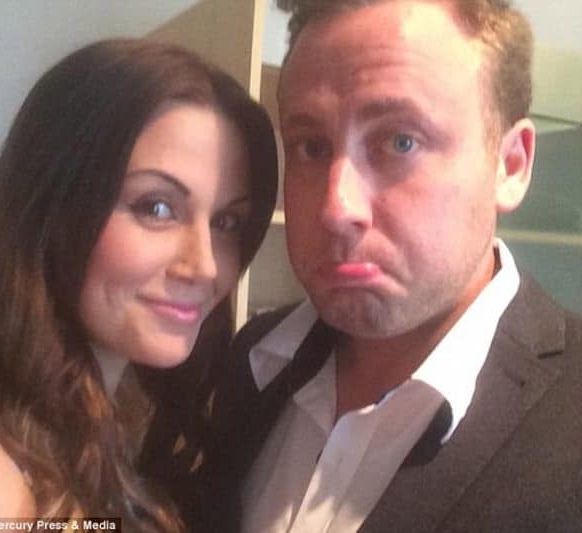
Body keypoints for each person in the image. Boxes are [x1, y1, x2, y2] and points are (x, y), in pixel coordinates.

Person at [210, 1, 582, 532]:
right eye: (311, 147)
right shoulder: (254, 358)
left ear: (510, 164)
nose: (336, 208)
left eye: (400, 141)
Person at [0, 39, 277, 531]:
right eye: (156, 208)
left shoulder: (136, 419)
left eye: (226, 222)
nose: (205, 266)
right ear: (52, 208)